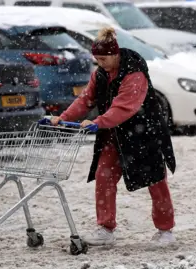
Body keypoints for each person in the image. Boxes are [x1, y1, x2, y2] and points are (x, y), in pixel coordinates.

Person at [50, 26, 177, 247]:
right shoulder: (99, 74)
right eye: (97, 59)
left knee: (156, 181)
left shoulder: (134, 73)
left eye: (104, 59)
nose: (101, 63)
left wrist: (98, 122)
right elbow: (85, 100)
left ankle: (166, 231)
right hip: (114, 135)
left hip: (145, 133)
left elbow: (124, 108)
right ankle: (105, 228)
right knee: (104, 176)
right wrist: (63, 117)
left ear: (115, 54)